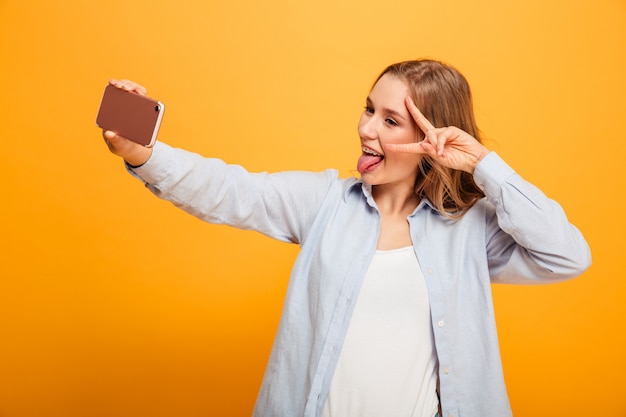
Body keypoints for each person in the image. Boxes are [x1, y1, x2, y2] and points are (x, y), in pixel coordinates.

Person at [101, 59, 591, 417]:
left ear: (435, 140)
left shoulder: (470, 229)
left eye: (390, 120)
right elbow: (229, 190)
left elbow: (567, 256)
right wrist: (143, 151)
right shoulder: (324, 203)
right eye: (368, 109)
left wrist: (484, 165)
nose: (366, 129)